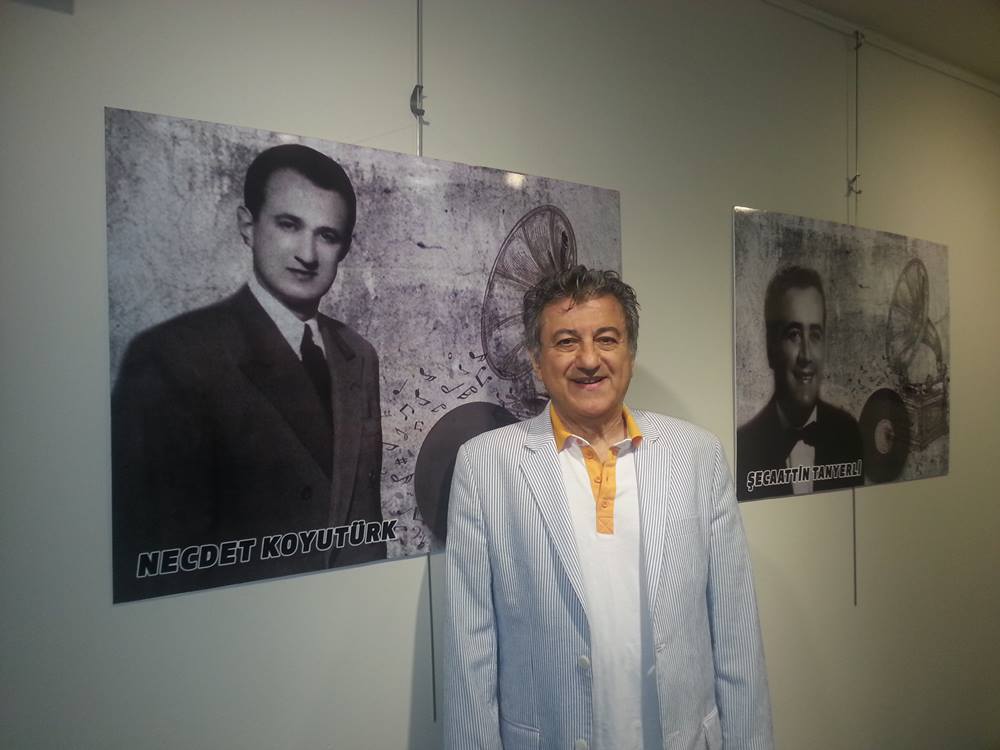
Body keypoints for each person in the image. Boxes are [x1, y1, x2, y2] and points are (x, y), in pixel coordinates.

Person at [445, 266, 773, 749]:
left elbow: (736, 630)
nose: (588, 359)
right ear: (537, 360)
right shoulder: (484, 466)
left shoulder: (697, 455)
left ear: (630, 354)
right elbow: (468, 645)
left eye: (606, 339)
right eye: (565, 342)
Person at [112, 144, 385, 602]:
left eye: (326, 235)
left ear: (346, 248)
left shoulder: (357, 354)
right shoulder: (174, 356)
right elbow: (153, 563)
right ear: (248, 226)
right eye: (288, 225)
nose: (307, 254)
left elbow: (363, 525)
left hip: (350, 617)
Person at [736, 265, 863, 502]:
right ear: (770, 347)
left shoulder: (849, 434)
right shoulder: (743, 446)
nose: (806, 355)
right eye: (794, 334)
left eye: (815, 335)